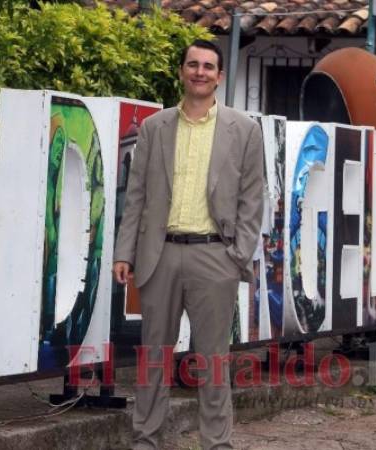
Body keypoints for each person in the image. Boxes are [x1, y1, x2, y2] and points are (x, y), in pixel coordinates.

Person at [113, 39, 264, 450]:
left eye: (208, 66)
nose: (200, 72)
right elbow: (137, 196)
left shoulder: (244, 130)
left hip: (215, 255)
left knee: (213, 359)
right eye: (192, 64)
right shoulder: (154, 127)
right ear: (181, 71)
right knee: (153, 357)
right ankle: (146, 438)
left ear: (219, 76)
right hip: (158, 255)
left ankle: (217, 443)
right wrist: (125, 252)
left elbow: (254, 198)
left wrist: (237, 256)